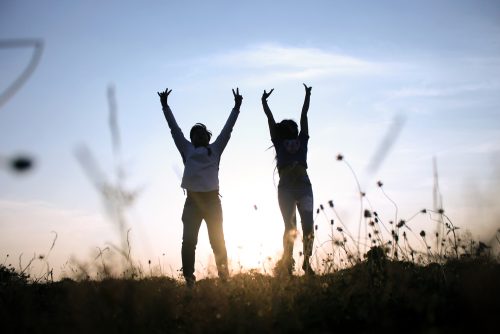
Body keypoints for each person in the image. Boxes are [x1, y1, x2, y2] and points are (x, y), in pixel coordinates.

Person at [157, 87, 243, 287]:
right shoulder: (186, 149)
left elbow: (227, 130)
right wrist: (165, 106)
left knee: (217, 241)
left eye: (202, 133)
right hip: (193, 202)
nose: (198, 136)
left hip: (212, 201)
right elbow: (174, 129)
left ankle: (224, 278)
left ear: (208, 137)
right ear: (191, 139)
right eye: (194, 134)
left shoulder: (216, 149)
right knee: (189, 241)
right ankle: (189, 279)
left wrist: (236, 107)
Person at [261, 83, 315, 276]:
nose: (294, 126)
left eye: (295, 126)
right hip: (285, 188)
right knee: (290, 227)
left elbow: (304, 116)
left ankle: (307, 262)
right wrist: (264, 103)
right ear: (285, 129)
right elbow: (270, 119)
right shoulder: (278, 142)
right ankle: (287, 263)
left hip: (304, 186)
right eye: (290, 125)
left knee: (308, 226)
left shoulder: (303, 140)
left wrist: (307, 95)